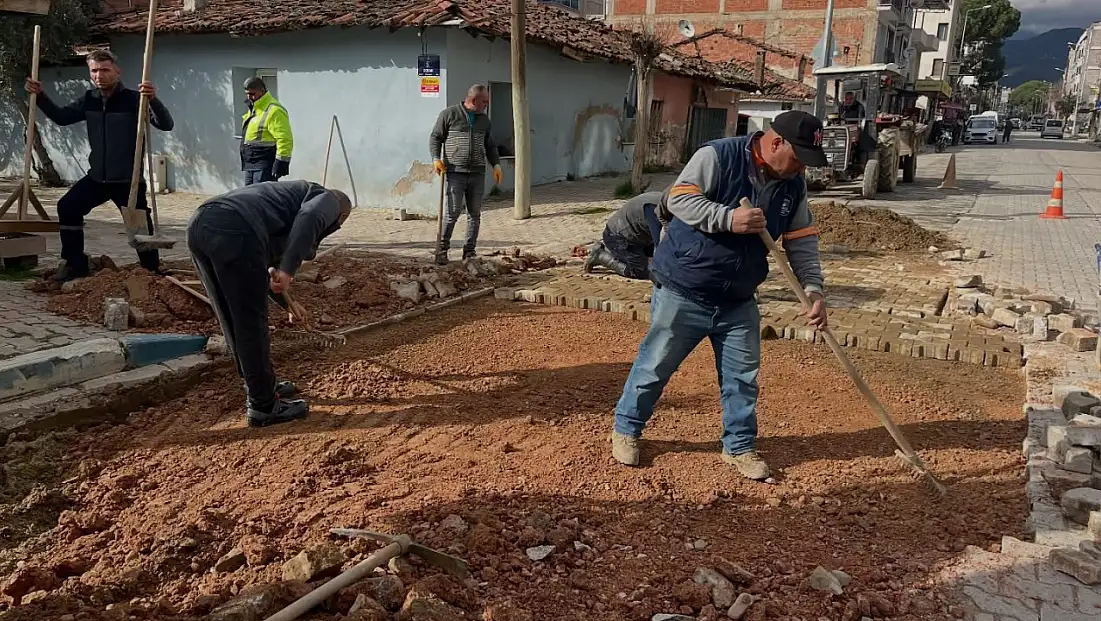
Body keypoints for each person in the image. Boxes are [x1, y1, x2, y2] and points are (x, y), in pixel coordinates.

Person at [609, 110, 829, 481]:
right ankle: (627, 429)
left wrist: (813, 289)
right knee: (655, 365)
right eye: (798, 159)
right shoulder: (718, 156)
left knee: (742, 378)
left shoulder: (793, 185)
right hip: (685, 287)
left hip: (739, 297)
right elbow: (678, 198)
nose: (800, 169)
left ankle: (739, 447)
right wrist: (729, 219)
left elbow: (801, 239)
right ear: (776, 142)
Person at [187, 181, 352, 427]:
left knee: (233, 315)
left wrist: (289, 303)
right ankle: (264, 406)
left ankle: (261, 385)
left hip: (201, 224)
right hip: (235, 225)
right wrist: (288, 269)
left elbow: (262, 272)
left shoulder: (281, 206)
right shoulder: (328, 198)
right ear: (339, 217)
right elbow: (311, 217)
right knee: (250, 322)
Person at [25, 49, 173, 282]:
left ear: (117, 71)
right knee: (68, 207)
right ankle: (75, 264)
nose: (99, 75)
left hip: (128, 179)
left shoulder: (135, 99)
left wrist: (153, 99)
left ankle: (151, 272)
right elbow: (62, 117)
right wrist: (40, 95)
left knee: (138, 226)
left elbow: (166, 124)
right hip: (97, 178)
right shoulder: (90, 99)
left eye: (104, 70)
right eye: (94, 70)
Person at [429, 84, 503, 264]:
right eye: (484, 101)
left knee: (474, 214)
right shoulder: (450, 114)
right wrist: (435, 159)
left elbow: (490, 145)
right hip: (455, 172)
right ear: (473, 100)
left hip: (477, 173)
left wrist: (496, 165)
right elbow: (435, 137)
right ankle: (442, 250)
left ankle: (469, 252)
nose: (486, 104)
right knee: (452, 213)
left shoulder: (484, 120)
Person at [584, 188, 671, 280]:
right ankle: (601, 256)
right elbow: (661, 246)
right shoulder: (653, 209)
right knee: (643, 272)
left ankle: (613, 253)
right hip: (618, 238)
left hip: (639, 236)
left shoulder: (666, 201)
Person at [240, 77, 294, 186]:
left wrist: (281, 162)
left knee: (262, 199)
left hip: (264, 165)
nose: (249, 97)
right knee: (249, 198)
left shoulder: (274, 110)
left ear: (262, 91)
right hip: (251, 163)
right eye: (247, 94)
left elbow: (284, 138)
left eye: (252, 93)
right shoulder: (255, 108)